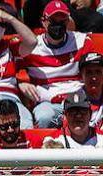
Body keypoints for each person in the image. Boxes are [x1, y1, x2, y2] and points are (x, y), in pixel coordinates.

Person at [22, 0, 92, 128]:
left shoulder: (82, 41)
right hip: (48, 102)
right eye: (53, 21)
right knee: (44, 116)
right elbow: (13, 68)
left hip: (78, 99)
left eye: (62, 21)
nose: (58, 25)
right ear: (43, 21)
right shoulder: (32, 47)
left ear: (68, 22)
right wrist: (21, 83)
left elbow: (93, 72)